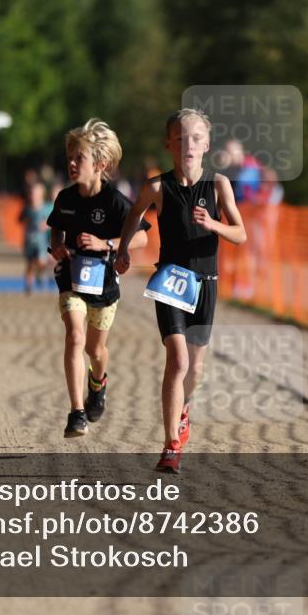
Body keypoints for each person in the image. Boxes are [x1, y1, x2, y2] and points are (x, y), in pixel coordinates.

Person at [116, 108, 246, 473]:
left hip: (207, 283)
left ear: (206, 144)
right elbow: (134, 214)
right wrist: (123, 249)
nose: (188, 145)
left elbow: (241, 233)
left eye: (195, 138)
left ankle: (183, 410)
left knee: (197, 367)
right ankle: (171, 444)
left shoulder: (218, 185)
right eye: (181, 138)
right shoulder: (157, 187)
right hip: (171, 281)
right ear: (169, 144)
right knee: (179, 360)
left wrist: (214, 225)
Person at [48, 118, 150, 438]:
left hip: (104, 283)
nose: (73, 163)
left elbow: (143, 239)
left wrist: (106, 244)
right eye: (70, 157)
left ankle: (97, 383)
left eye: (80, 158)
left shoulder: (115, 202)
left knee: (96, 351)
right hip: (71, 280)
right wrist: (56, 247)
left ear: (100, 164)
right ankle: (76, 413)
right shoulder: (65, 198)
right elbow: (56, 228)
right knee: (75, 337)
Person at [20, 181, 53, 294]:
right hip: (29, 239)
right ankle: (28, 286)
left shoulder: (48, 207)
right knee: (29, 263)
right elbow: (20, 219)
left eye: (36, 193)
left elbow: (54, 221)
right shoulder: (27, 208)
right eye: (32, 193)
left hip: (41, 240)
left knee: (41, 261)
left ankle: (41, 273)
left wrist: (46, 224)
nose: (33, 196)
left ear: (41, 194)